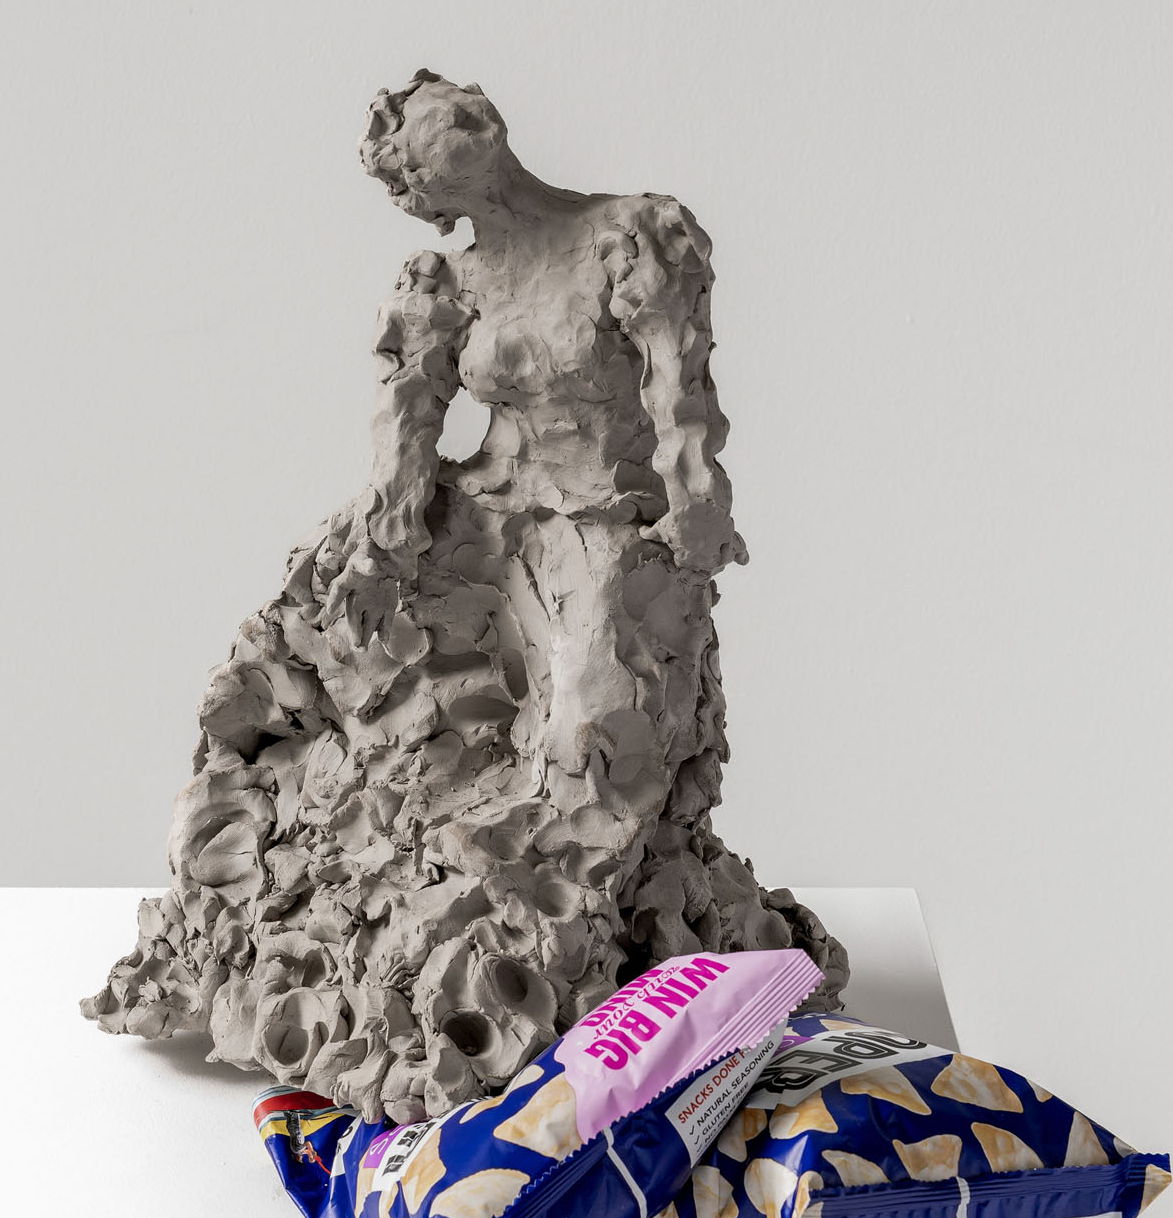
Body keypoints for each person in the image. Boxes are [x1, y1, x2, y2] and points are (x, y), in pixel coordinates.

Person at [84, 73, 846, 1122]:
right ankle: (326, 911)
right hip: (480, 515)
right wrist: (375, 545)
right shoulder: (446, 281)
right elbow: (405, 435)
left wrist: (696, 507)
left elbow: (683, 402)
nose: (450, 127)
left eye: (448, 108)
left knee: (591, 735)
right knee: (315, 656)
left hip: (598, 521)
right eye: (414, 138)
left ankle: (524, 936)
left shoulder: (632, 237)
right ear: (414, 190)